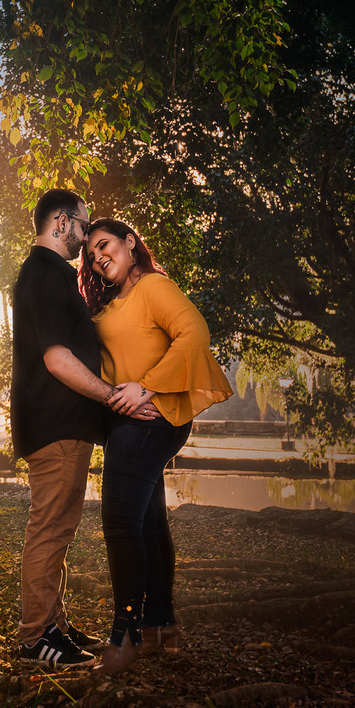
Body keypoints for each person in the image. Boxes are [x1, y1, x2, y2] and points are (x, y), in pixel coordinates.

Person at [10, 190, 159, 669]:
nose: (87, 241)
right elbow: (57, 359)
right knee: (50, 531)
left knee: (58, 530)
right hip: (57, 426)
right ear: (61, 221)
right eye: (82, 225)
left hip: (60, 427)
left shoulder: (49, 276)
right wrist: (114, 396)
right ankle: (36, 638)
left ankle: (54, 626)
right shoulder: (45, 277)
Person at [78, 217, 232, 673]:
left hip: (153, 418)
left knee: (120, 522)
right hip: (126, 424)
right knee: (147, 521)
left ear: (130, 243)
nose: (98, 256)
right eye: (90, 254)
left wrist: (146, 388)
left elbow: (195, 334)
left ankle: (123, 637)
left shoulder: (153, 287)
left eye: (104, 245)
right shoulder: (112, 300)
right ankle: (162, 628)